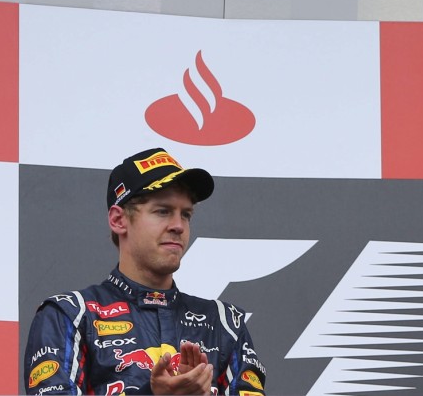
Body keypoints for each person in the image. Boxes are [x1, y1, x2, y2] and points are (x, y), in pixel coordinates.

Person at [23, 148, 267, 395]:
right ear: (118, 220)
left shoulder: (224, 323)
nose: (178, 226)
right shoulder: (70, 315)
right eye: (163, 211)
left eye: (186, 214)